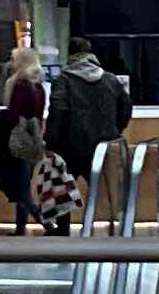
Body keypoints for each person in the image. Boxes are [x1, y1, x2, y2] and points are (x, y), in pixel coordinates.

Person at [47, 43, 132, 193]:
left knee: (62, 194)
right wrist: (115, 130)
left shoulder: (63, 81)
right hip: (103, 145)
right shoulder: (111, 79)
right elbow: (126, 108)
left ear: (69, 55)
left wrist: (51, 140)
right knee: (102, 193)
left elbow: (58, 111)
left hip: (69, 147)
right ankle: (102, 209)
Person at [0, 68, 46, 230]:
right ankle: (21, 225)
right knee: (24, 183)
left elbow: (13, 115)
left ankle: (44, 221)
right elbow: (39, 115)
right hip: (33, 139)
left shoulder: (20, 86)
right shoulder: (39, 87)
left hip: (17, 141)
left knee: (21, 189)